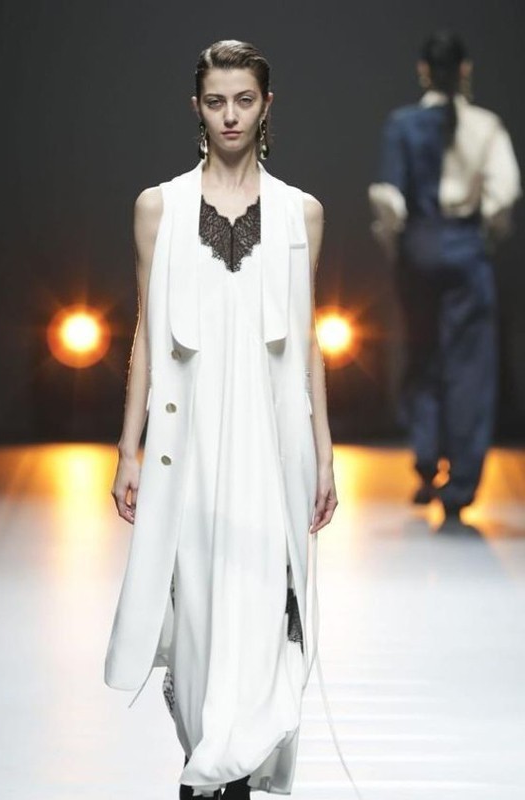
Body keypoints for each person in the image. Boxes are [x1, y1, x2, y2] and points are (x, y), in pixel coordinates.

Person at [104, 40, 338, 799]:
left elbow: (307, 338)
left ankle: (220, 770)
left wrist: (324, 452)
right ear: (196, 108)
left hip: (272, 444)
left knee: (263, 604)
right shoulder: (160, 208)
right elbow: (146, 331)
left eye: (244, 100)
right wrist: (129, 447)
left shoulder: (301, 212)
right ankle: (210, 762)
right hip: (192, 442)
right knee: (199, 611)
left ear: (266, 106)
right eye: (216, 102)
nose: (230, 115)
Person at [369, 30, 521, 519]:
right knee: (469, 366)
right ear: (465, 70)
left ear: (423, 72)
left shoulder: (401, 124)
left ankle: (425, 459)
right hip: (465, 247)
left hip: (418, 249)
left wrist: (398, 246)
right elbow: (505, 192)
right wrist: (484, 236)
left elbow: (389, 200)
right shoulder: (486, 126)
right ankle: (460, 484)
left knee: (420, 355)